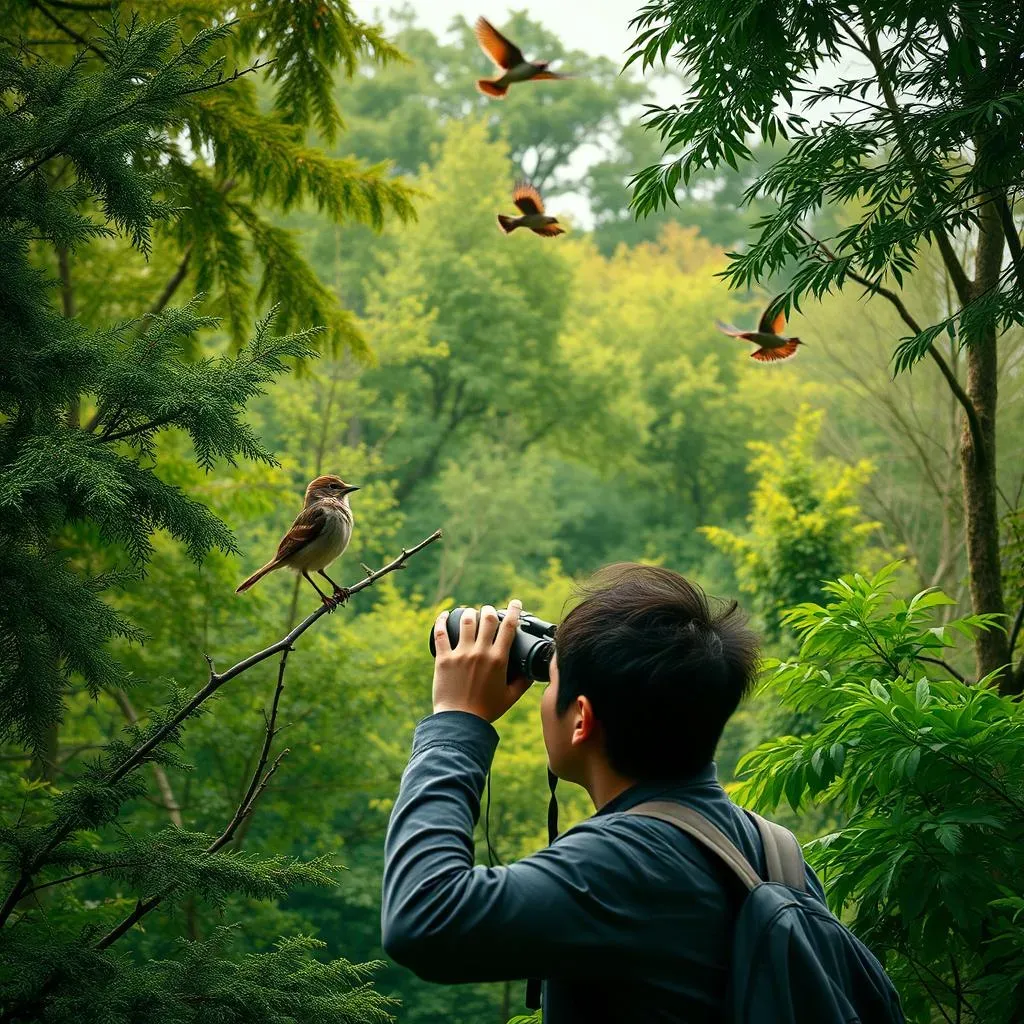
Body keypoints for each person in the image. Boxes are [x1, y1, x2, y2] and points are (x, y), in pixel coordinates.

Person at [381, 564, 827, 1023]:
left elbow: (425, 916)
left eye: (550, 680)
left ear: (581, 719)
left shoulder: (626, 863)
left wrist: (456, 720)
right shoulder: (774, 852)